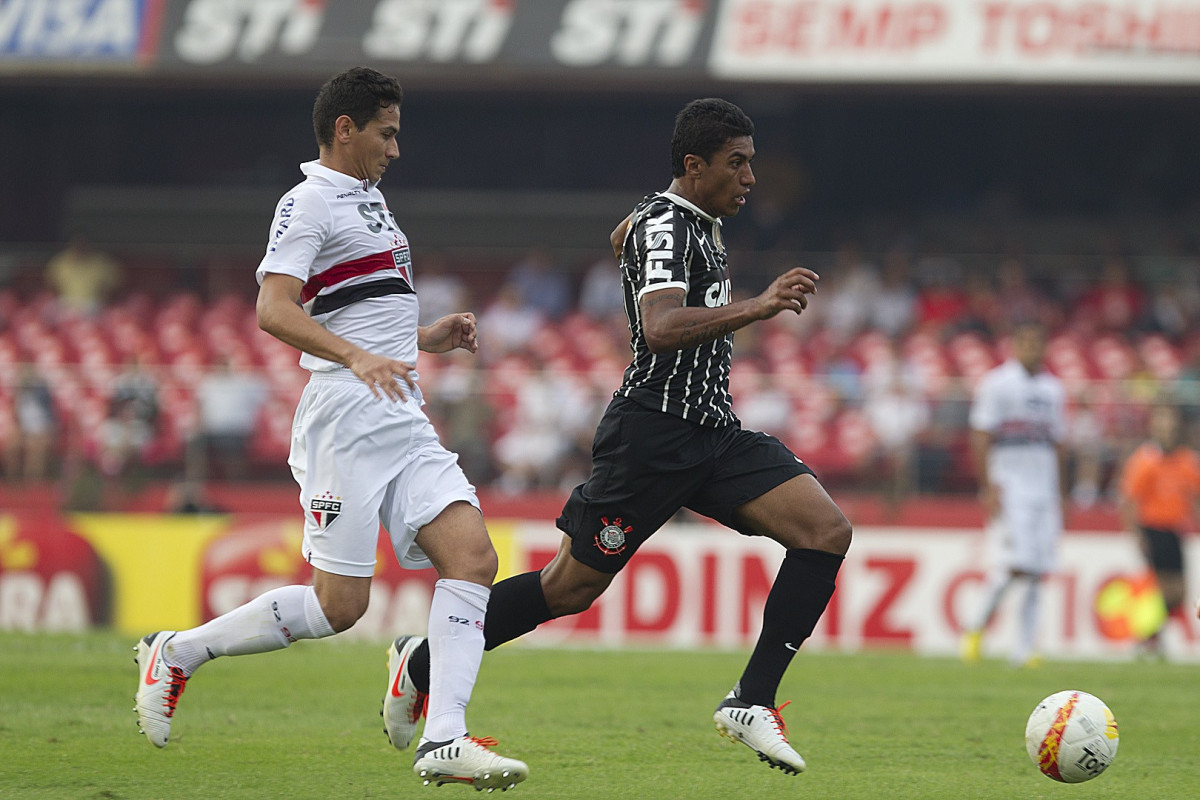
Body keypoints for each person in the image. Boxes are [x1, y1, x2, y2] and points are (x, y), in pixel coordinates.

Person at [385, 98, 852, 776]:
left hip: (713, 433)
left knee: (825, 531)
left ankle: (752, 700)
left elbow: (622, 235)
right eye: (737, 164)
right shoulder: (669, 221)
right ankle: (421, 662)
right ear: (695, 166)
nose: (751, 177)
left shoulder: (681, 218)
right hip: (652, 437)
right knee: (567, 588)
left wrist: (636, 236)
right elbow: (660, 326)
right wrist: (761, 304)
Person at [132, 67, 527, 792]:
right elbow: (272, 309)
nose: (396, 149)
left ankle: (444, 736)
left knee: (472, 559)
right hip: (344, 418)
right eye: (387, 132)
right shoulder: (307, 201)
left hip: (400, 413)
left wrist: (425, 339)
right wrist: (356, 356)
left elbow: (362, 311)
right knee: (339, 607)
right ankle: (179, 651)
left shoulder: (373, 201)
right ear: (345, 128)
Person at [961, 322, 1068, 667]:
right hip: (1011, 486)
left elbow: (1059, 442)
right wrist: (988, 486)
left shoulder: (1054, 389)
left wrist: (1062, 493)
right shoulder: (997, 384)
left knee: (1036, 569)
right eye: (1026, 341)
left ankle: (1024, 648)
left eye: (1038, 342)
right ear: (1015, 345)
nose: (1032, 348)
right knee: (1018, 565)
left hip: (1044, 488)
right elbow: (980, 436)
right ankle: (977, 627)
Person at [1117, 403, 1200, 658]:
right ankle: (1148, 638)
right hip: (1153, 528)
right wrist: (1137, 534)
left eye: (1171, 421)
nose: (1167, 427)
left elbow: (1194, 497)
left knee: (1178, 592)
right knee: (1165, 589)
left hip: (1175, 531)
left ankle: (1149, 636)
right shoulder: (1145, 460)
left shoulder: (1186, 460)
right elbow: (1129, 500)